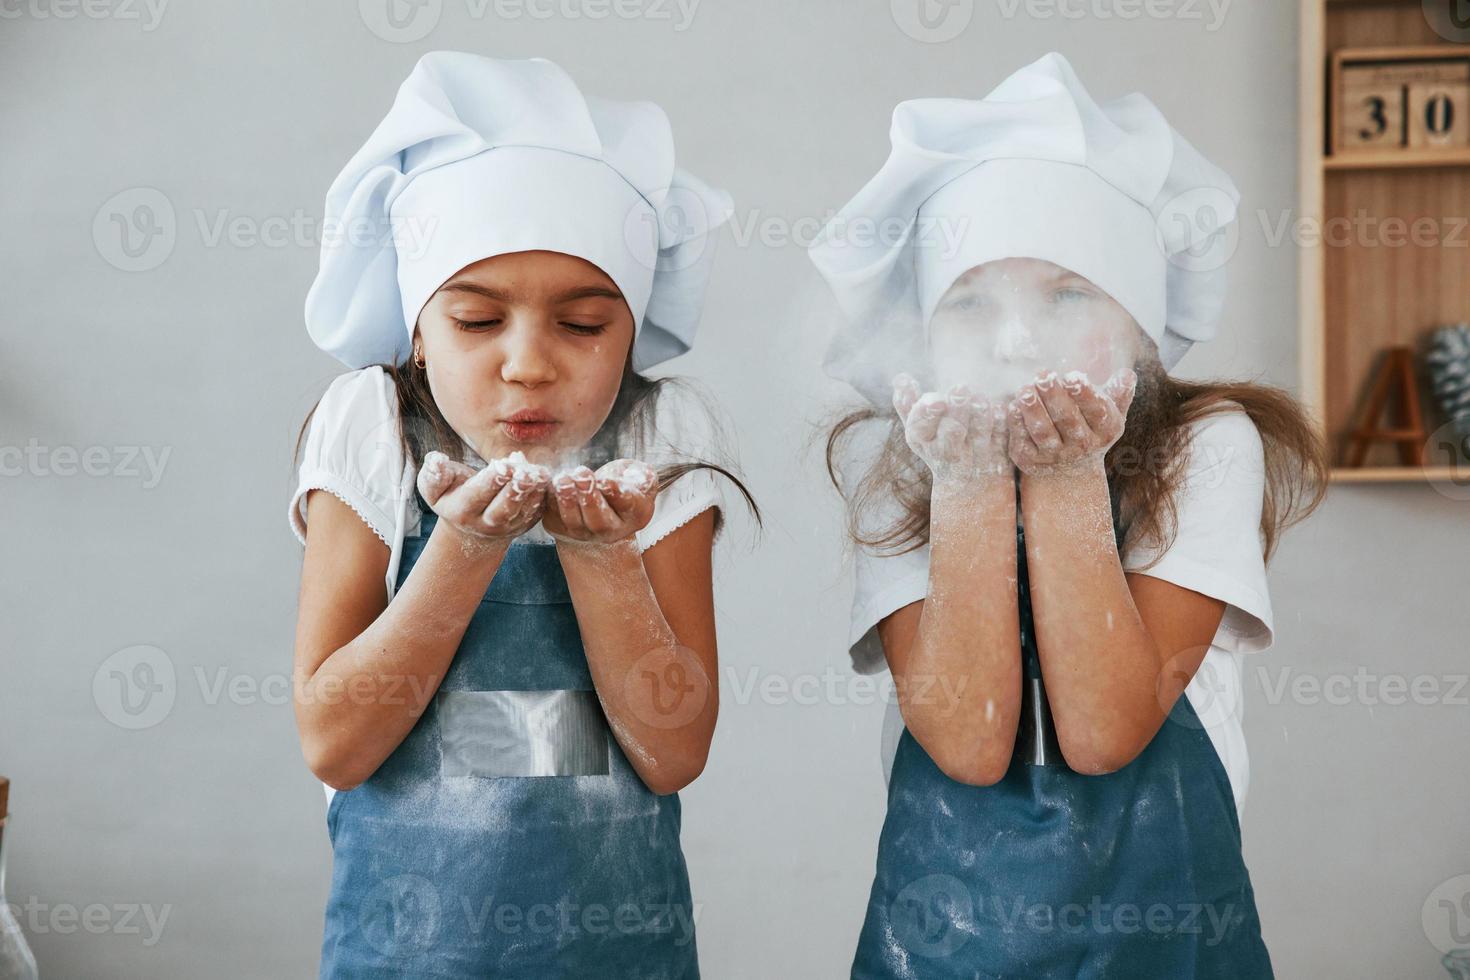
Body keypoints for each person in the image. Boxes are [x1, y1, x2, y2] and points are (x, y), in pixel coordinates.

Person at [810, 52, 1326, 978]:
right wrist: (967, 483)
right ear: (922, 332)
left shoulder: (1209, 446)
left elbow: (1103, 728)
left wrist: (1066, 475)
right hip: (945, 945)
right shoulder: (891, 459)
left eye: (1068, 294)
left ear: (1140, 322)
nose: (1016, 339)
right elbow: (967, 740)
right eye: (970, 303)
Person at [287, 51, 754, 978]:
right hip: (407, 952)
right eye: (475, 320)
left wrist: (601, 555)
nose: (529, 365)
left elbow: (670, 750)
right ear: (417, 324)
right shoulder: (376, 427)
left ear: (632, 323)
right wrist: (463, 546)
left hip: (619, 952)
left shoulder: (661, 431)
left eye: (583, 325)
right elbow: (337, 742)